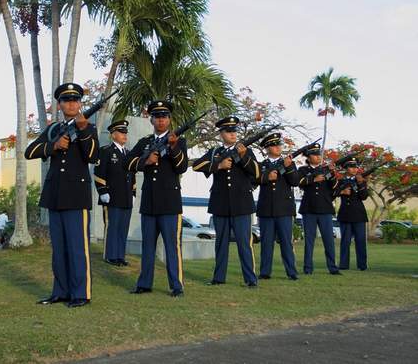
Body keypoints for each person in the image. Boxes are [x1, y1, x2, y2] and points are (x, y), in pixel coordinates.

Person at [25, 82, 99, 308]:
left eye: (75, 100)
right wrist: (52, 146)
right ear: (59, 105)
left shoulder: (88, 128)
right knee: (59, 248)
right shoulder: (52, 130)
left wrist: (84, 130)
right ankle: (61, 291)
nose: (71, 104)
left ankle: (81, 294)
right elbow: (30, 151)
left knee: (78, 248)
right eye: (66, 100)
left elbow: (93, 156)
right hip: (55, 194)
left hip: (76, 195)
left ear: (80, 104)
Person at [126, 100, 188, 297]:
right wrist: (146, 161)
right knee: (147, 248)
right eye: (157, 117)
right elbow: (126, 163)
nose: (161, 120)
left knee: (172, 247)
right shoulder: (145, 142)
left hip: (170, 204)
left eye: (165, 116)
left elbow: (182, 167)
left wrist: (173, 147)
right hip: (149, 203)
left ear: (169, 119)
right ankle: (144, 283)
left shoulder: (179, 141)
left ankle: (176, 286)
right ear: (151, 119)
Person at [192, 116, 260, 288]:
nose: (232, 134)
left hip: (241, 204)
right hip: (220, 203)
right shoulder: (215, 152)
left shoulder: (246, 151)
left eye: (234, 131)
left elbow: (257, 172)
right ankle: (219, 277)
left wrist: (244, 156)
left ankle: (250, 279)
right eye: (228, 131)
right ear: (221, 133)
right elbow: (197, 166)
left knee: (244, 243)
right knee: (220, 243)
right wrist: (218, 165)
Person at [256, 133, 299, 280]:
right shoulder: (262, 165)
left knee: (286, 242)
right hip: (266, 209)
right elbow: (253, 181)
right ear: (267, 148)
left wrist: (288, 167)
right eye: (274, 145)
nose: (278, 147)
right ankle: (265, 272)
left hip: (284, 209)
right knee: (266, 243)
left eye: (279, 144)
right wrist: (267, 176)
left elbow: (295, 181)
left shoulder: (289, 163)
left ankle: (291, 272)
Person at [94, 120, 136, 267]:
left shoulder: (129, 153)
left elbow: (133, 175)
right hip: (111, 197)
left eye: (126, 132)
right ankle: (110, 255)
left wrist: (134, 193)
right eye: (121, 132)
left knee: (123, 228)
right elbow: (99, 173)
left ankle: (120, 256)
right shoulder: (105, 151)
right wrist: (103, 191)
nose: (125, 135)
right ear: (113, 135)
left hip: (126, 197)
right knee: (112, 227)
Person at [297, 144, 342, 275]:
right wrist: (313, 178)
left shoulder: (326, 170)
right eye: (315, 155)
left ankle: (332, 267)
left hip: (325, 208)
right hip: (309, 208)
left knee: (329, 240)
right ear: (308, 157)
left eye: (319, 155)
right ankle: (308, 268)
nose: (318, 157)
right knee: (309, 241)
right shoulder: (303, 170)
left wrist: (332, 173)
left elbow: (335, 187)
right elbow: (299, 182)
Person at [334, 157, 369, 271]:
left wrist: (360, 183)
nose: (354, 169)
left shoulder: (361, 180)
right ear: (346, 168)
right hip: (345, 214)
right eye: (351, 167)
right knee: (345, 241)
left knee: (360, 241)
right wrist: (342, 191)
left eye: (355, 167)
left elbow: (364, 196)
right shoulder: (341, 181)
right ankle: (344, 265)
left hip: (358, 214)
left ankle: (362, 265)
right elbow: (333, 193)